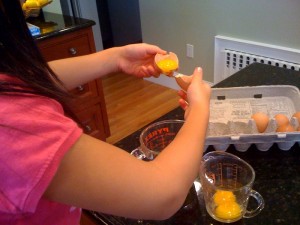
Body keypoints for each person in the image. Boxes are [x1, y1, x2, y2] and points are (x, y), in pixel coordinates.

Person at [0, 0, 211, 224]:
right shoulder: (13, 126)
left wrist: (116, 58)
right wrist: (200, 108)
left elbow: (23, 81)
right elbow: (164, 194)